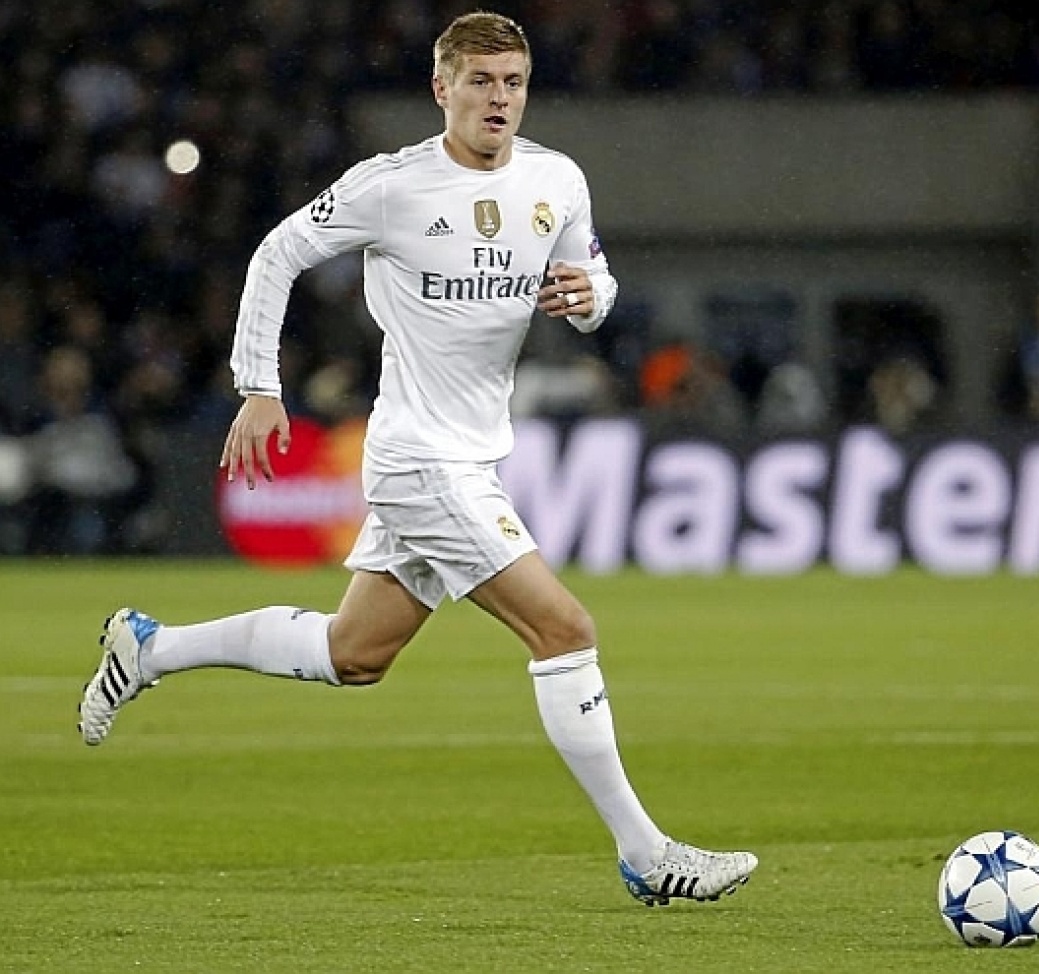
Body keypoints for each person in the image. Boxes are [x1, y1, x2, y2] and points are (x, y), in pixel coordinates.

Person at [78, 10, 757, 907]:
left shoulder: (556, 180)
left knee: (353, 653)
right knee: (565, 630)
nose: (499, 99)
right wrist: (258, 385)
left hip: (472, 457)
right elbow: (277, 253)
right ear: (442, 88)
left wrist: (589, 296)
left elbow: (594, 284)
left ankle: (151, 648)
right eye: (480, 82)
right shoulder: (393, 186)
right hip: (418, 460)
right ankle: (646, 852)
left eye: (513, 82)